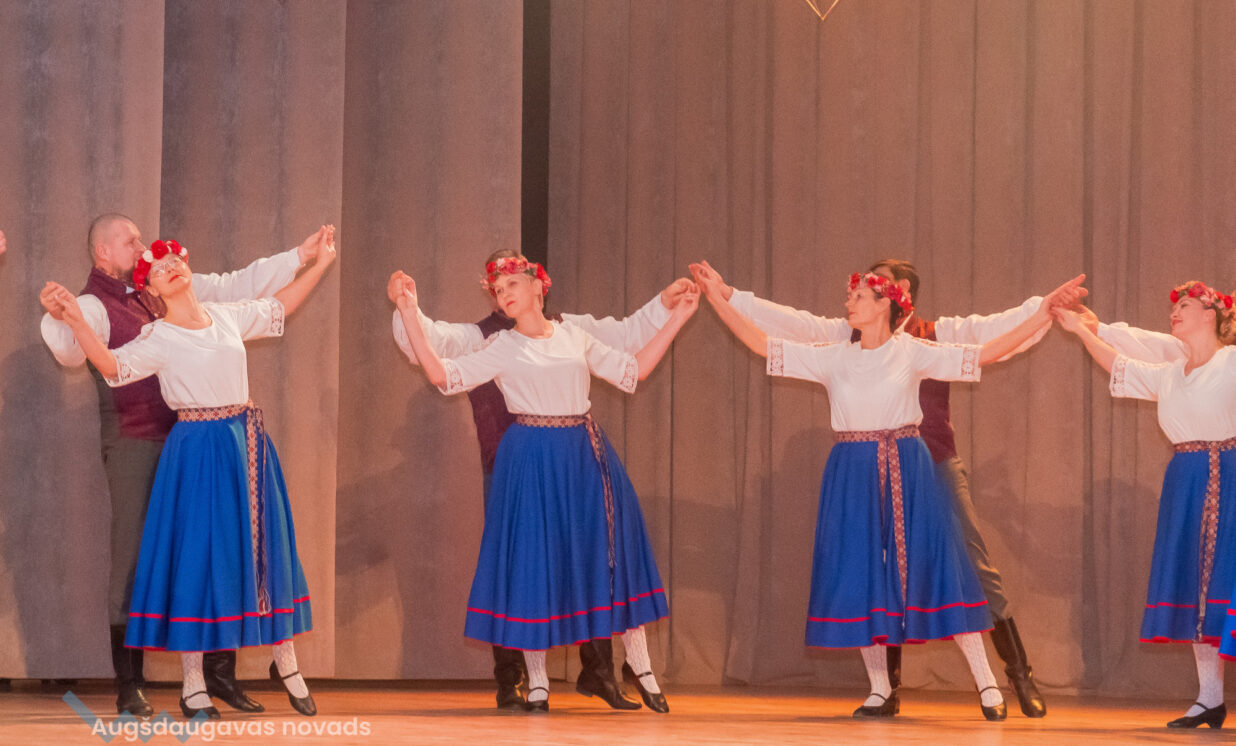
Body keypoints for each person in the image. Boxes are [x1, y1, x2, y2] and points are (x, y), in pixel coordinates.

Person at [687, 259, 1086, 718]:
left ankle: (991, 682)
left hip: (912, 467)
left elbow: (986, 351)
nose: (848, 302)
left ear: (886, 302)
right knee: (863, 574)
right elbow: (765, 341)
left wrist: (1043, 312)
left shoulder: (916, 348)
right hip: (853, 471)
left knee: (943, 567)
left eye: (858, 295)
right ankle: (881, 688)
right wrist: (719, 298)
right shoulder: (835, 353)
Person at [44, 230, 337, 719]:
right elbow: (113, 368)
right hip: (197, 447)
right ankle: (193, 682)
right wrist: (75, 319)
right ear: (151, 289)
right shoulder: (158, 337)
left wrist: (320, 263)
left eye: (174, 261)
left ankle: (284, 661)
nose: (170, 268)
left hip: (243, 441)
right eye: (158, 269)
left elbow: (280, 306)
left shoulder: (226, 316)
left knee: (259, 546)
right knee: (196, 557)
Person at [389, 251, 693, 710]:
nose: (503, 294)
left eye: (512, 284)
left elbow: (633, 372)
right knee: (533, 564)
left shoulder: (574, 335)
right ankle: (537, 681)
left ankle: (639, 668)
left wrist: (678, 317)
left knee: (607, 556)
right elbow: (442, 375)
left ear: (538, 286)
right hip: (530, 455)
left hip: (582, 455)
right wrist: (409, 310)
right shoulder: (501, 345)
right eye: (498, 289)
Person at [1055, 281, 1236, 729]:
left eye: (1186, 305)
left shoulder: (1232, 362)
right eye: (1174, 307)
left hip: (1230, 475)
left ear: (1210, 315)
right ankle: (1210, 698)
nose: (1175, 312)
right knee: (1195, 585)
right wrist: (1082, 331)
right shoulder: (1170, 374)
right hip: (1186, 479)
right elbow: (1120, 364)